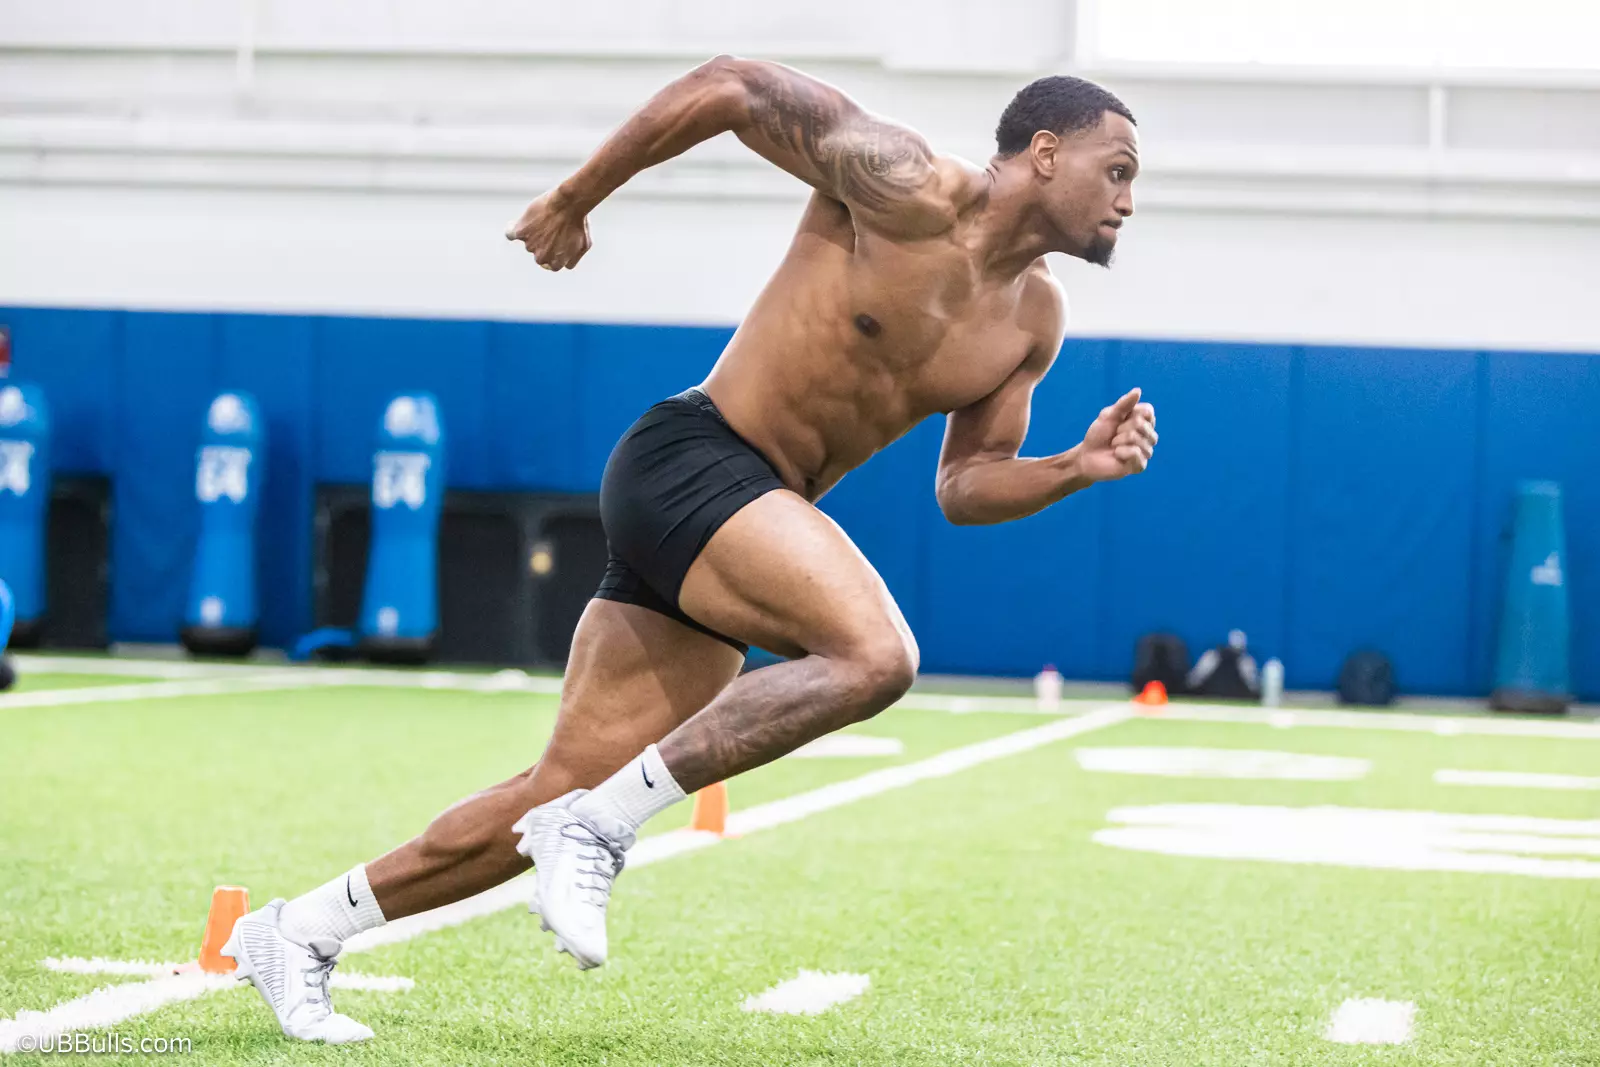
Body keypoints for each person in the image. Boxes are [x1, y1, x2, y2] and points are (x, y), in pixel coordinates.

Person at [224, 56, 1157, 1042]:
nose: (1129, 202)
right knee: (875, 656)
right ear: (1045, 153)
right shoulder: (904, 183)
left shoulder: (1033, 321)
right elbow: (730, 87)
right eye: (1118, 169)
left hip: (750, 514)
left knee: (553, 787)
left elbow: (965, 486)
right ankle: (599, 826)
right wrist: (576, 198)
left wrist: (1075, 467)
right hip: (693, 458)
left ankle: (299, 929)